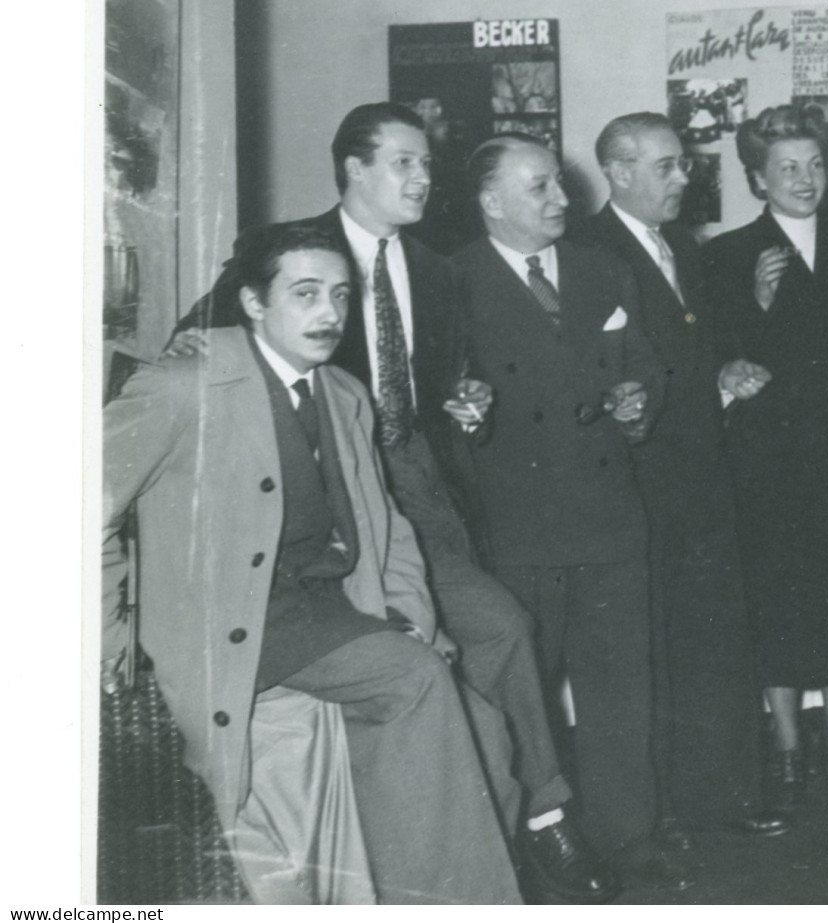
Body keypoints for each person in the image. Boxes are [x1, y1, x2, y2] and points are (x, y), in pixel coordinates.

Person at [171, 103, 619, 902]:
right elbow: (200, 342)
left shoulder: (440, 269)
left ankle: (541, 818)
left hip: (413, 488)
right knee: (429, 660)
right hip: (324, 499)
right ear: (354, 168)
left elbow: (448, 379)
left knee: (503, 628)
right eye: (405, 163)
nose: (423, 178)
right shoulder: (291, 250)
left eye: (425, 165)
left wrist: (465, 399)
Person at [104, 224, 522, 904]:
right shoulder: (185, 385)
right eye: (304, 294)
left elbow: (385, 529)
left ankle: (404, 886)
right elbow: (77, 505)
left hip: (323, 609)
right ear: (253, 302)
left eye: (339, 294)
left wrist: (419, 621)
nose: (329, 313)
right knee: (411, 680)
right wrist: (110, 639)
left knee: (485, 723)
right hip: (237, 620)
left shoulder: (345, 394)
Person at [452, 135, 691, 892]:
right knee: (522, 693)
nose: (560, 199)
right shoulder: (449, 281)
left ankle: (631, 837)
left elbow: (645, 366)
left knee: (622, 687)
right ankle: (535, 843)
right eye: (538, 188)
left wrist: (635, 402)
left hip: (608, 514)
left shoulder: (601, 268)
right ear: (490, 200)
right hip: (516, 525)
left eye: (558, 182)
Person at [575, 111, 790, 843]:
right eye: (666, 166)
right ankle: (663, 805)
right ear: (619, 171)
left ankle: (725, 793)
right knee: (659, 644)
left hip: (701, 475)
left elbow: (692, 349)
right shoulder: (588, 253)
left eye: (683, 163)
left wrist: (726, 367)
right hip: (643, 482)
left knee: (716, 637)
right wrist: (709, 389)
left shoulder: (677, 249)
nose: (683, 177)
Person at [702, 104, 828, 803]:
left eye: (814, 164)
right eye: (787, 168)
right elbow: (719, 357)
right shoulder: (724, 253)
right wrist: (756, 300)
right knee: (776, 600)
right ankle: (785, 747)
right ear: (756, 176)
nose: (804, 179)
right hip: (769, 460)